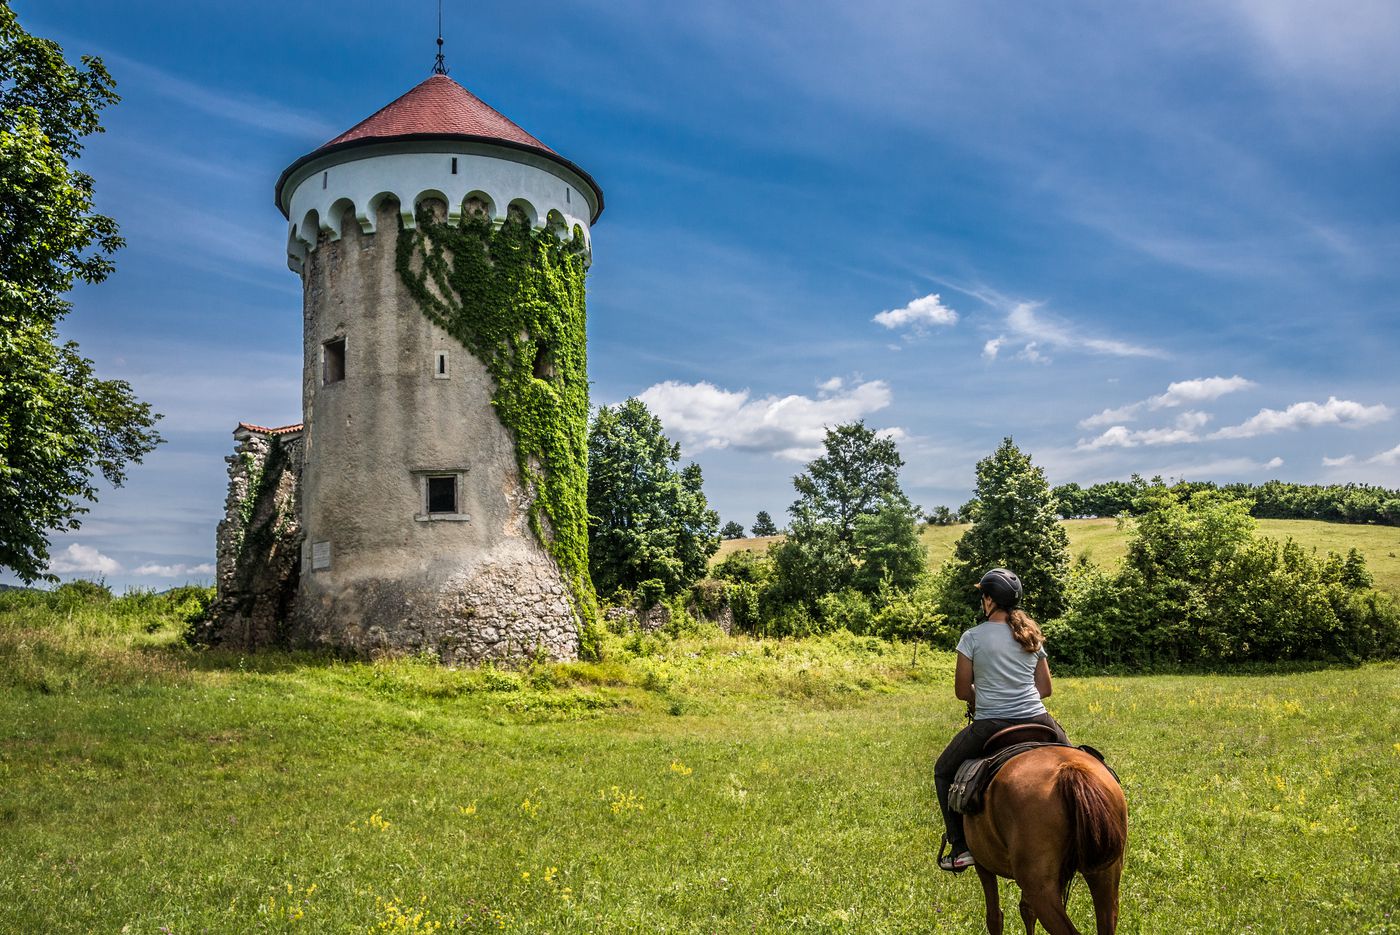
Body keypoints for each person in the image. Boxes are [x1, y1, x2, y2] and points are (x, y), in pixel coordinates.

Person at [934, 567, 1068, 872]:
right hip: (1039, 720)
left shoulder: (972, 637)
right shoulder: (1030, 633)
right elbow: (1045, 689)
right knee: (1077, 762)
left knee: (942, 771)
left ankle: (960, 847)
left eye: (983, 595)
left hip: (991, 724)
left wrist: (987, 694)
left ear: (990, 600)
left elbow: (960, 691)